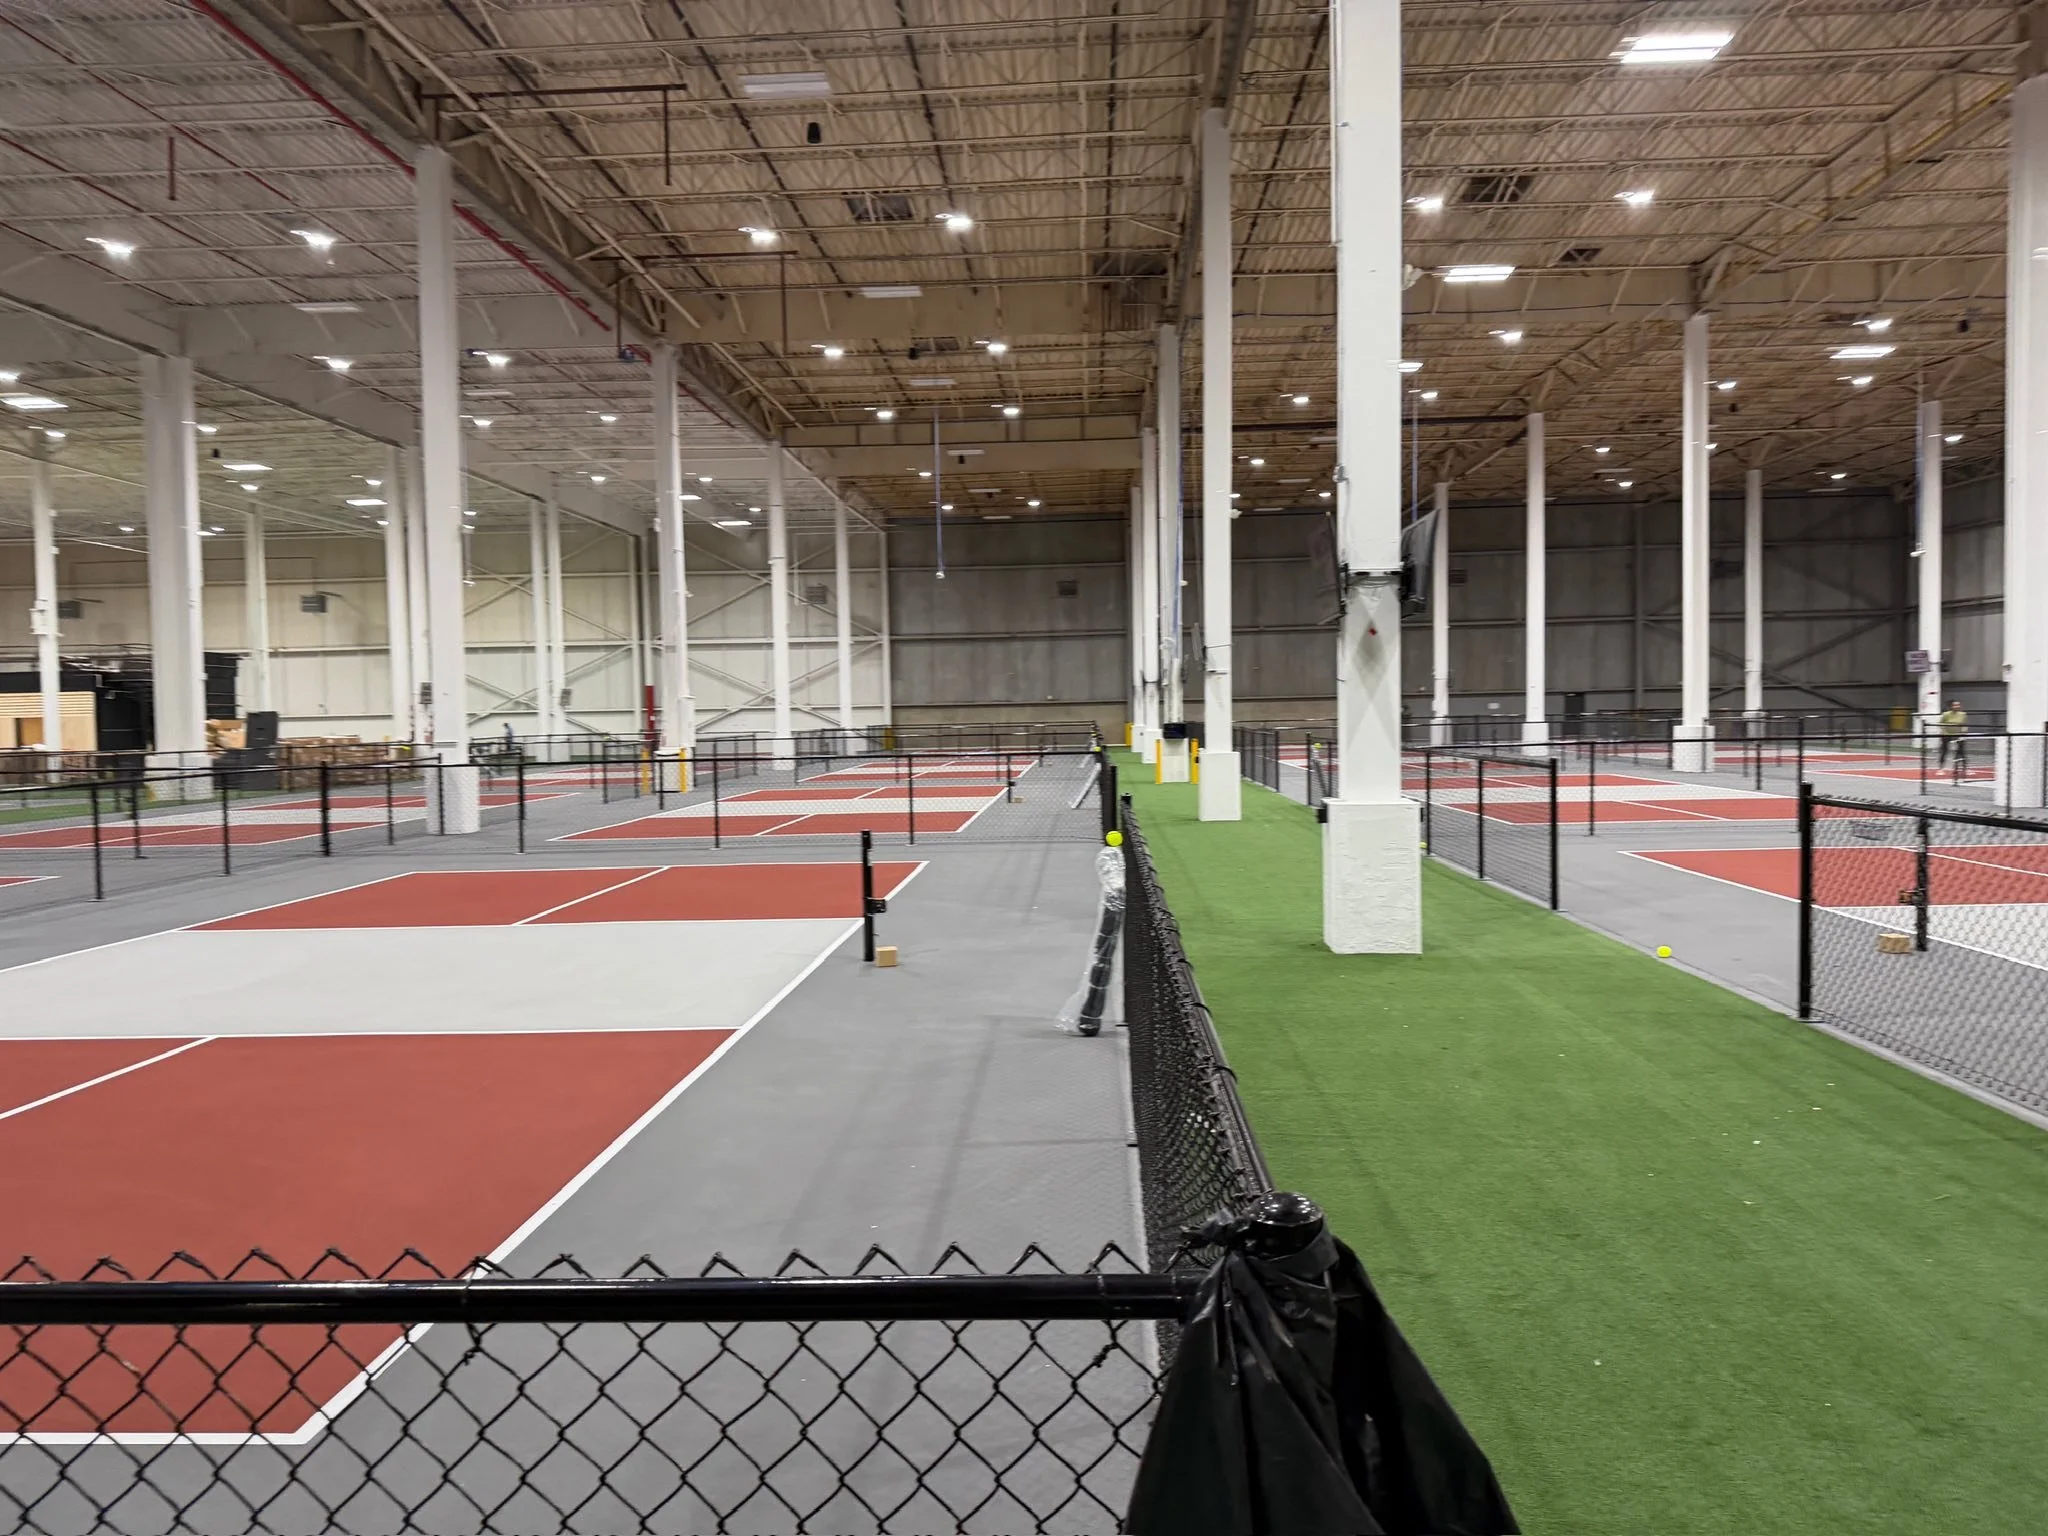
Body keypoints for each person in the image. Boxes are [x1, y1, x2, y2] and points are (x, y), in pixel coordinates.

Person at [1938, 700, 1968, 770]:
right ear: (1951, 706)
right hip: (1946, 734)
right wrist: (1944, 732)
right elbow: (1941, 723)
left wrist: (1963, 733)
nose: (1956, 706)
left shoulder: (1963, 714)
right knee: (1944, 750)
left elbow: (1964, 725)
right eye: (1954, 705)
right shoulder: (1946, 714)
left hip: (1958, 734)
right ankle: (1941, 767)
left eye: (1958, 705)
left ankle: (1964, 767)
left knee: (1962, 750)